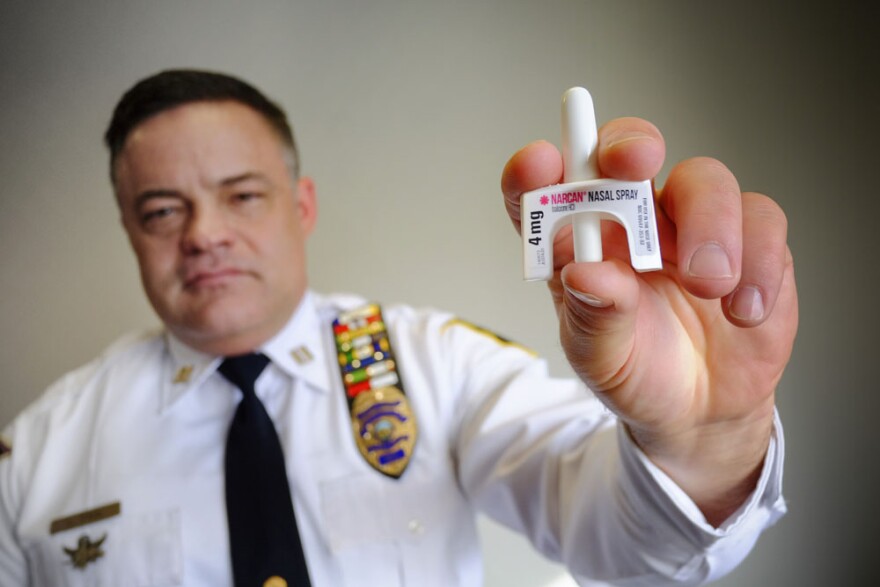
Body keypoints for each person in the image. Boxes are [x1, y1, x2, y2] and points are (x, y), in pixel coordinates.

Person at [0, 69, 797, 587]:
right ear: (129, 230)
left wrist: (704, 441)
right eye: (162, 209)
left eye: (242, 195)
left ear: (301, 206)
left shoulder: (434, 363)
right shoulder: (37, 454)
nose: (204, 233)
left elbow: (610, 534)